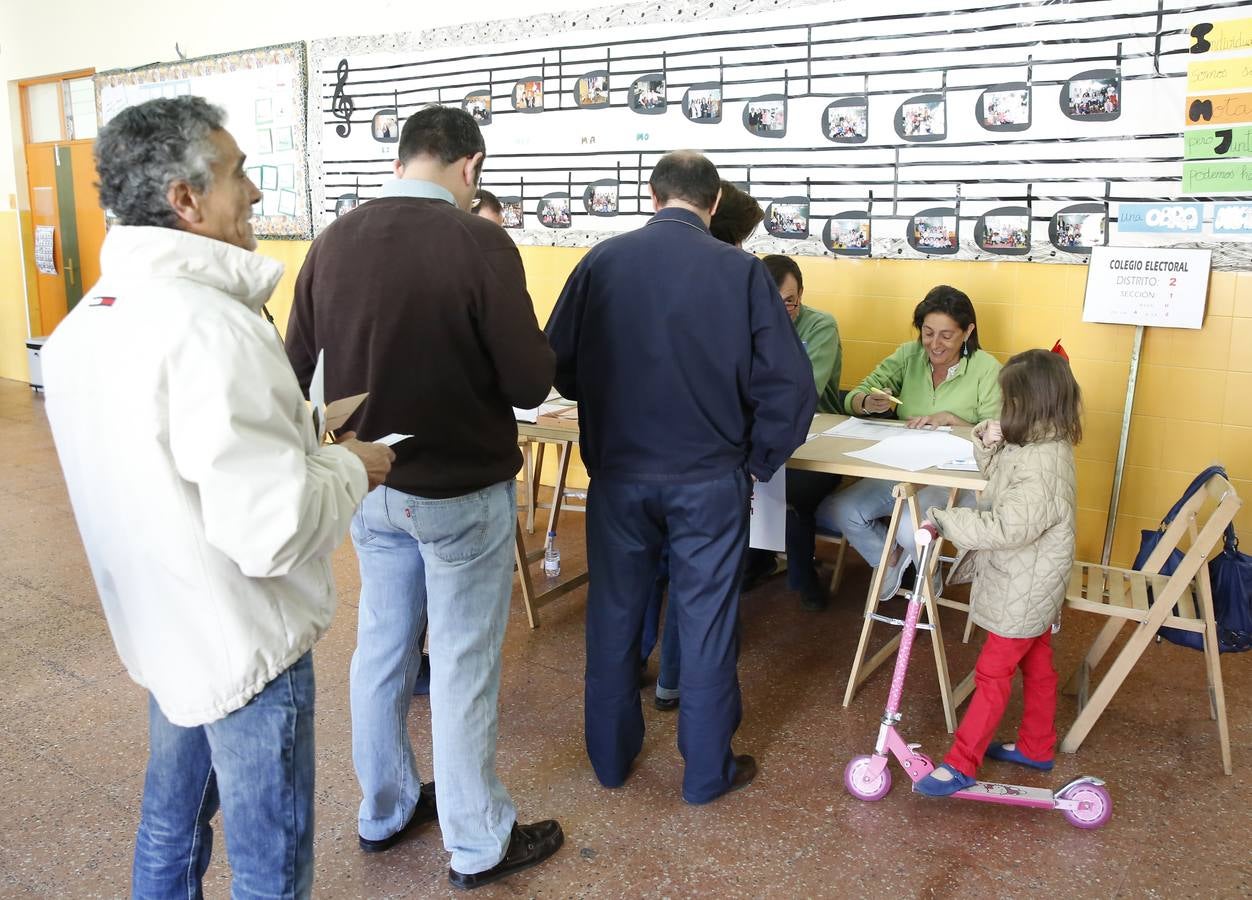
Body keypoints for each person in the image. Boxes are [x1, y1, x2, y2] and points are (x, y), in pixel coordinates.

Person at [41, 96, 394, 898]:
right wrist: (354, 466)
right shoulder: (211, 328)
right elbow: (271, 531)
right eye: (239, 174)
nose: (257, 195)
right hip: (245, 648)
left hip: (168, 631)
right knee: (271, 866)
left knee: (169, 826)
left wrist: (295, 436)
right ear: (185, 199)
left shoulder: (85, 325)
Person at [285, 105, 563, 890]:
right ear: (470, 166)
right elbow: (529, 380)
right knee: (465, 663)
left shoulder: (334, 238)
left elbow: (294, 361)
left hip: (366, 484)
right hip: (459, 492)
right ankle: (478, 842)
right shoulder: (479, 240)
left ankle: (384, 809)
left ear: (404, 158)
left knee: (380, 650)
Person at [545, 151, 816, 804]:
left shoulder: (600, 263)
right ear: (715, 202)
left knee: (613, 614)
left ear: (652, 193)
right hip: (708, 480)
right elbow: (792, 388)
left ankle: (610, 761)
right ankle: (704, 774)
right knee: (707, 621)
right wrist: (756, 459)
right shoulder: (743, 274)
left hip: (618, 478)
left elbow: (557, 366)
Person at [915, 349, 1081, 795]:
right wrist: (990, 445)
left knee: (992, 675)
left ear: (1029, 406)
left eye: (1008, 403)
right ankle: (1037, 747)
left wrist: (946, 521)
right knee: (1039, 665)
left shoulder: (1042, 465)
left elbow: (1008, 526)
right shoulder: (1037, 444)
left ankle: (962, 762)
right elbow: (1001, 489)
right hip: (1033, 581)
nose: (1002, 411)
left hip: (1024, 585)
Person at [647, 179, 764, 712]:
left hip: (637, 463)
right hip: (712, 467)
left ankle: (638, 672)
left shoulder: (634, 267)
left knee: (646, 578)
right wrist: (758, 459)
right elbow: (776, 382)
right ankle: (677, 686)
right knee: (702, 593)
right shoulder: (738, 277)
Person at [815, 285, 1002, 601]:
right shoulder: (908, 355)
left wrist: (953, 420)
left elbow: (996, 433)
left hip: (956, 478)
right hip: (902, 467)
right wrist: (867, 402)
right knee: (839, 508)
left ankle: (922, 578)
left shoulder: (986, 368)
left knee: (907, 526)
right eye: (927, 333)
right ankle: (889, 562)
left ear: (968, 331)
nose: (935, 344)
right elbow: (857, 395)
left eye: (946, 335)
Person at [740, 255, 844, 611]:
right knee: (739, 475)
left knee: (794, 486)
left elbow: (803, 393)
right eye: (774, 300)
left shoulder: (820, 327)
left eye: (791, 300)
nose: (784, 309)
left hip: (817, 439)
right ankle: (757, 559)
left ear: (801, 294)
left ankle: (802, 574)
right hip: (762, 434)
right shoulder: (745, 324)